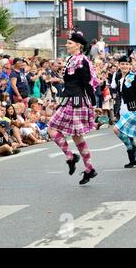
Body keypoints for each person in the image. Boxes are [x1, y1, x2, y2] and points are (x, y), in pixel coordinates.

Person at [47, 31, 99, 185]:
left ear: (78, 45)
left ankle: (76, 160)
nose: (67, 45)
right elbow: (71, 82)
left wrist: (94, 104)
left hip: (76, 101)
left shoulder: (82, 62)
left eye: (69, 43)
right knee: (63, 132)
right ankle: (82, 164)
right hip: (68, 99)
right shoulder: (71, 59)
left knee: (67, 133)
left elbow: (87, 83)